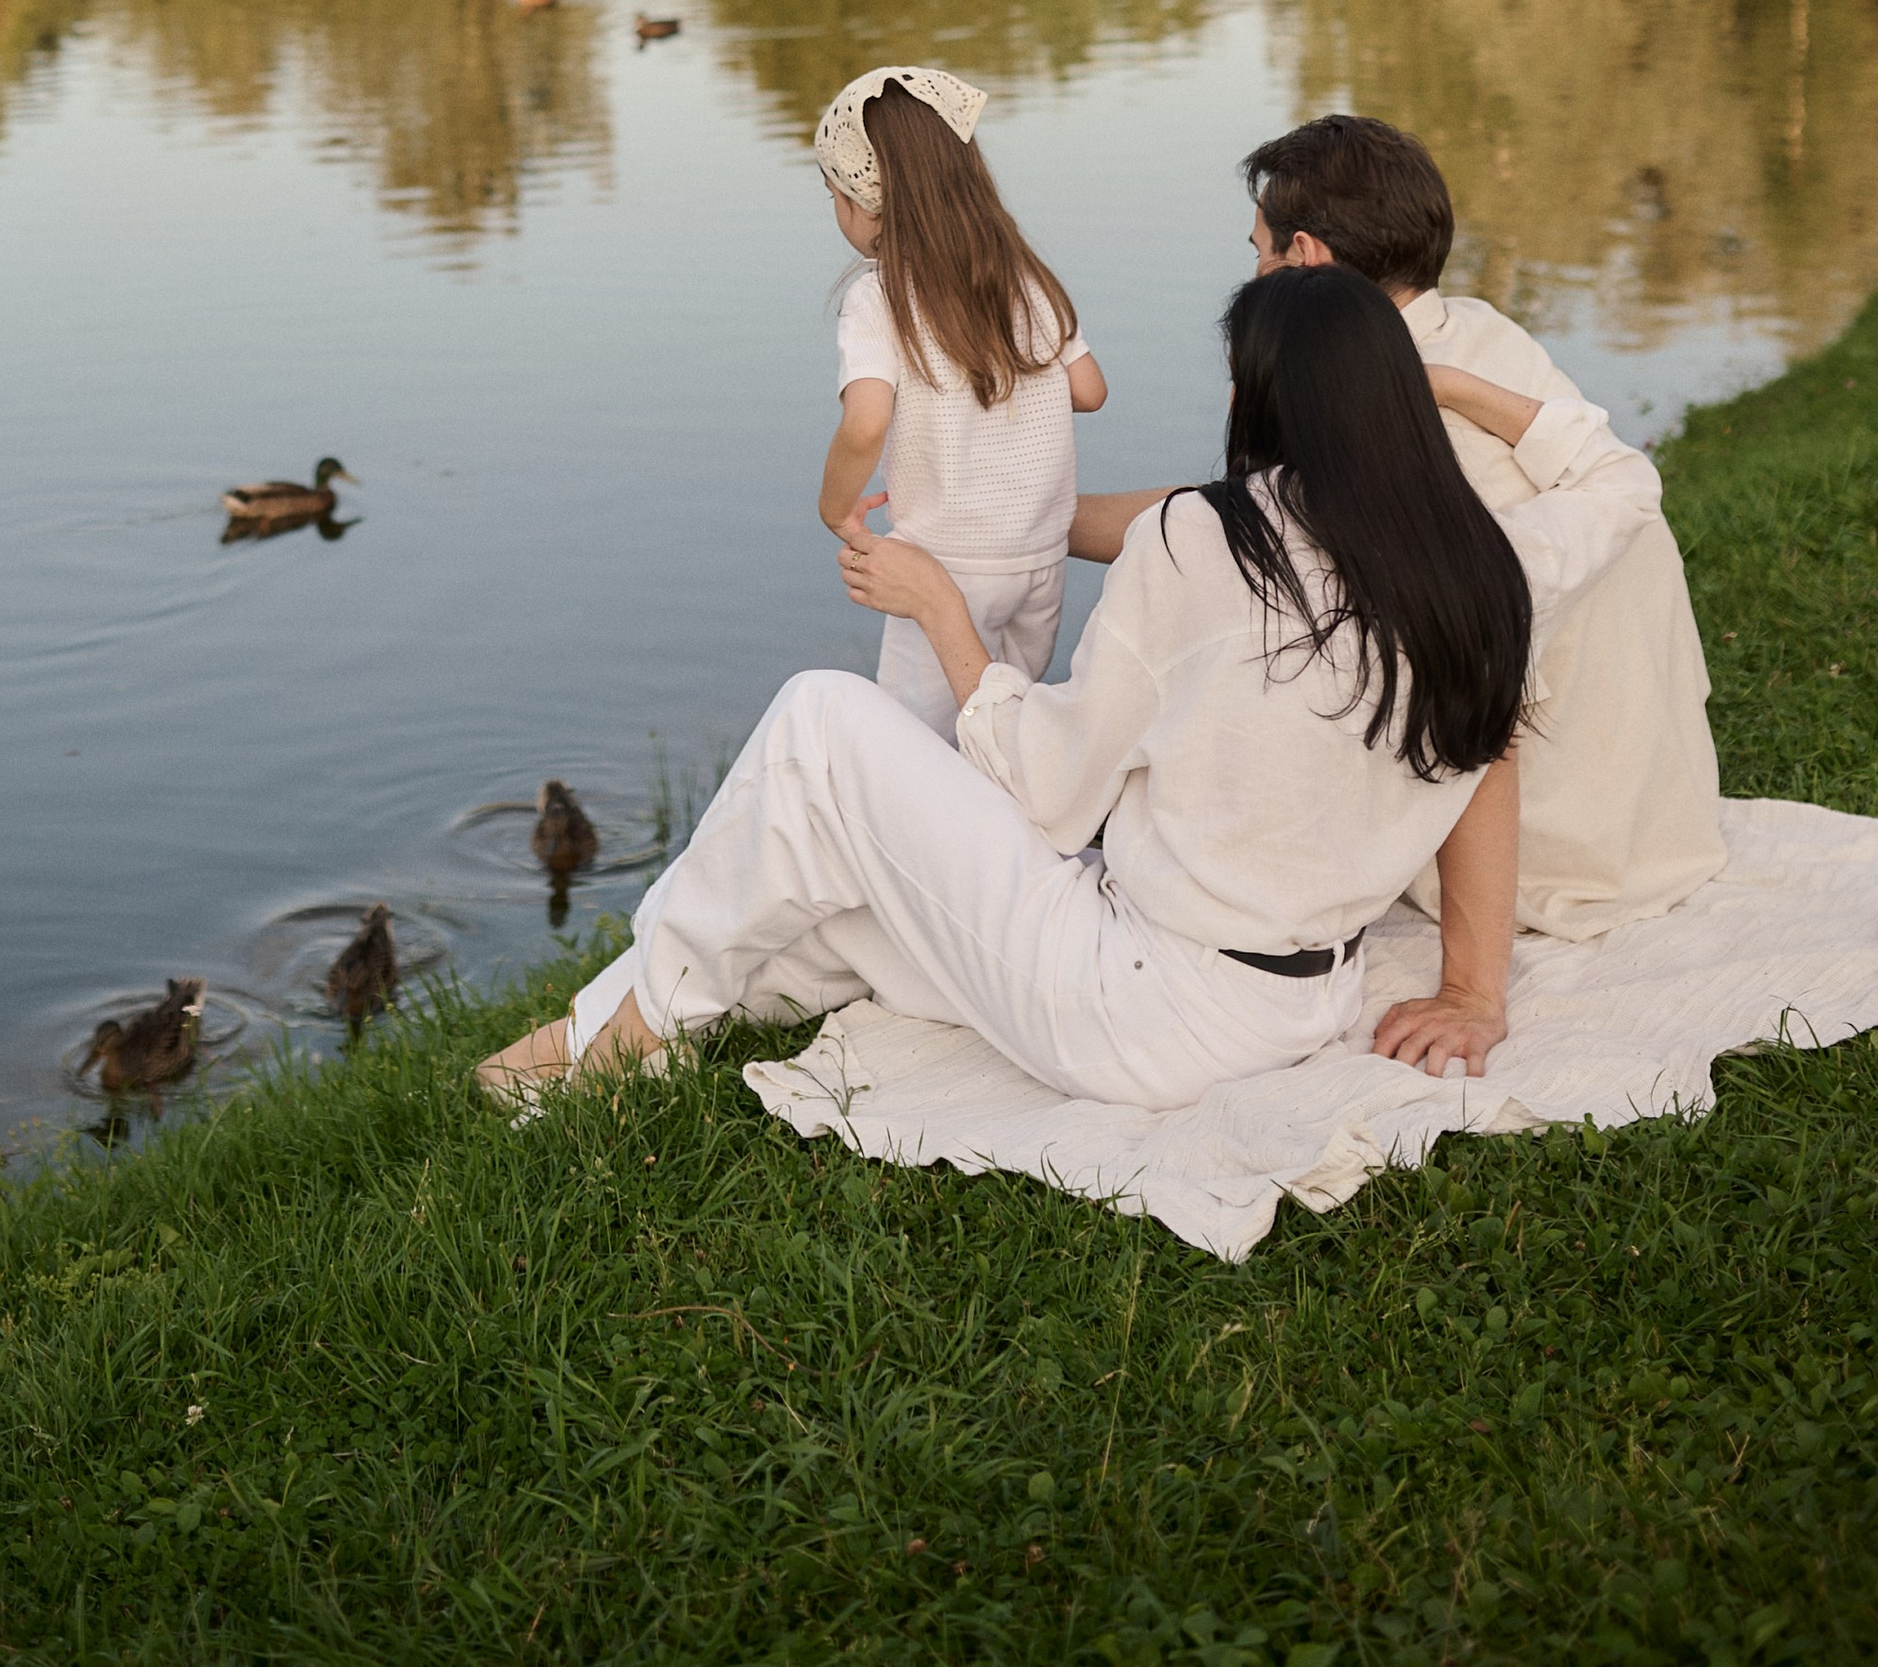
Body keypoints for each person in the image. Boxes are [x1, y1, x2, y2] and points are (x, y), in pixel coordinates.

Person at [480, 266, 1664, 1113]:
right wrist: (1454, 386)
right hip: (1298, 998)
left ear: (1263, 398)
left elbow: (1045, 792)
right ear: (1395, 395)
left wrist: (942, 608)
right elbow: (1620, 476)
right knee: (831, 892)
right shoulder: (1490, 560)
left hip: (1140, 1008)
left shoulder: (1205, 543)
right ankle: (630, 1015)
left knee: (817, 724)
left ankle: (619, 1037)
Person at [1072, 116, 1724, 937]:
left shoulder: (1403, 440)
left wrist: (1471, 991)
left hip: (1552, 851)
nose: (1255, 270)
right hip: (1661, 816)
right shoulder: (1479, 334)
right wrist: (1049, 525)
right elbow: (1246, 517)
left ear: (1306, 257)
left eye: (1260, 250)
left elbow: (1234, 537)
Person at [811, 66, 1108, 738]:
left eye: (832, 193)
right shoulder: (1022, 275)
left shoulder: (877, 298)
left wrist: (834, 509)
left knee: (912, 751)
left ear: (866, 204)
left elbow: (867, 420)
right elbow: (1090, 390)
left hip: (944, 568)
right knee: (1004, 735)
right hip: (1040, 561)